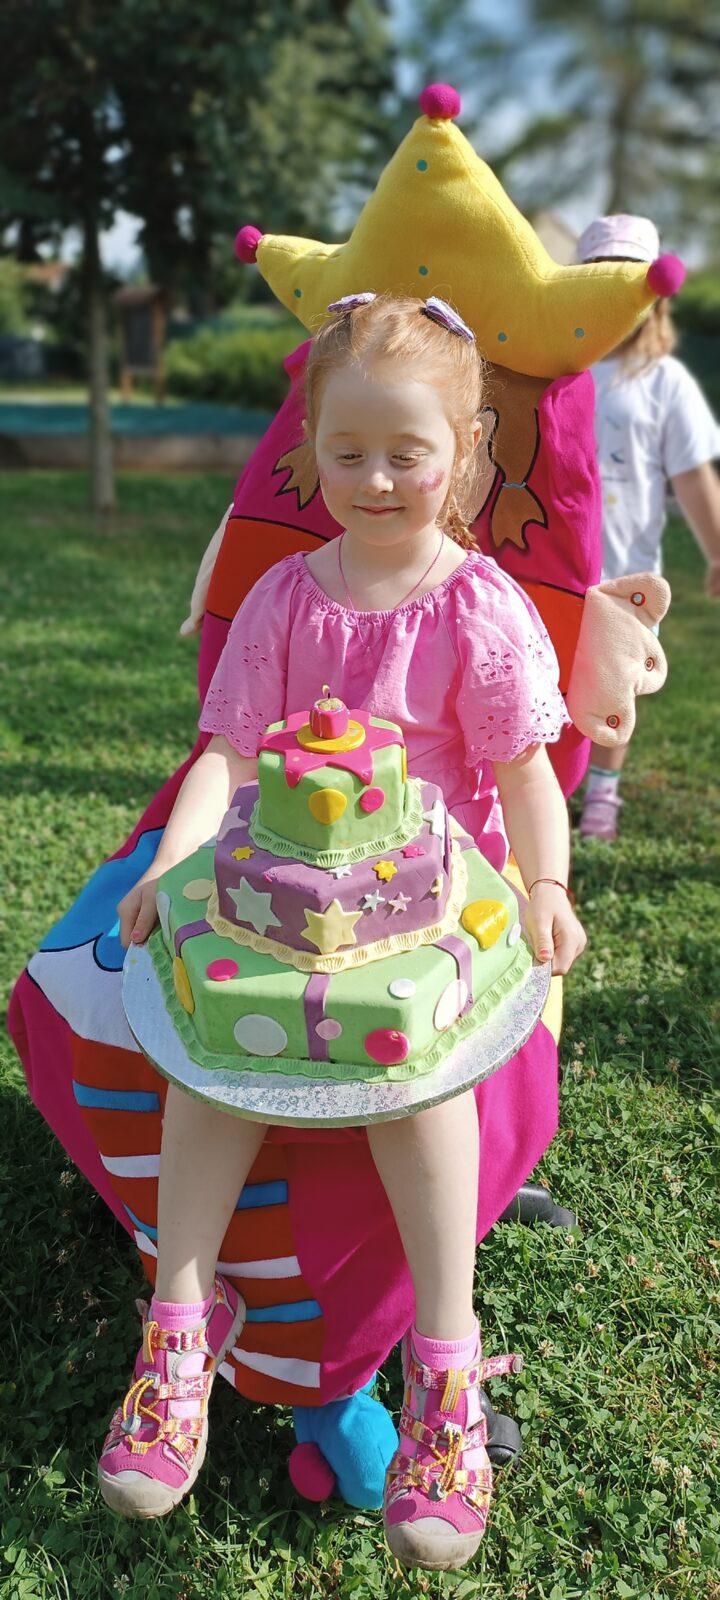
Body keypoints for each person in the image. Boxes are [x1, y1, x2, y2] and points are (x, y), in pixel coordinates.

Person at [103, 293, 586, 1570]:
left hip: (432, 911)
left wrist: (545, 883)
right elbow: (226, 754)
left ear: (466, 452)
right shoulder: (283, 598)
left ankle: (444, 1368)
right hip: (277, 892)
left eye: (407, 451)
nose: (377, 478)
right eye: (350, 450)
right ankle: (179, 1329)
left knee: (420, 1081)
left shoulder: (477, 607)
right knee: (208, 1052)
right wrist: (174, 862)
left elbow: (528, 775)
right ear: (311, 449)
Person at [576, 214, 720, 841]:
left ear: (655, 294)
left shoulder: (664, 380)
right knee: (543, 678)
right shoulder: (556, 363)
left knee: (615, 686)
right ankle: (542, 785)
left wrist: (717, 552)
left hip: (627, 571)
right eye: (603, 277)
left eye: (631, 279)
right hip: (556, 564)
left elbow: (692, 475)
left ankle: (602, 793)